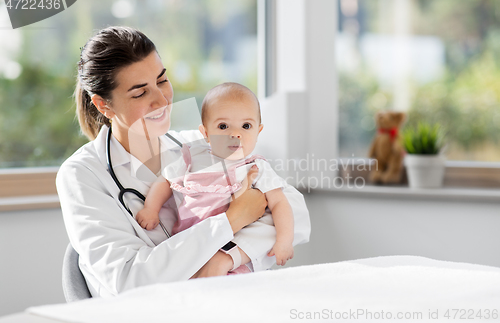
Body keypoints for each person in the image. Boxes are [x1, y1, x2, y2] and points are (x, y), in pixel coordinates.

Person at [56, 26, 310, 298]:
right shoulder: (82, 173)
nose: (161, 99)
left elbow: (293, 210)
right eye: (140, 93)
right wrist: (231, 219)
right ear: (104, 105)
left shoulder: (201, 144)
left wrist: (226, 258)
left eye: (162, 80)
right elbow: (129, 279)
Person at [136, 82, 295, 268]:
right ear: (205, 133)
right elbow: (164, 181)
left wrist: (284, 241)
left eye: (246, 125)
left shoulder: (255, 168)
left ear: (258, 131)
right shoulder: (193, 157)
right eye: (223, 126)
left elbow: (280, 203)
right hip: (186, 248)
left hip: (229, 253)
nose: (235, 134)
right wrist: (151, 209)